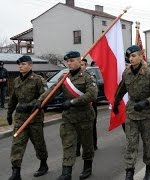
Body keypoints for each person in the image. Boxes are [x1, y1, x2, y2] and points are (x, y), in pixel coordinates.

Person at [36, 51, 98, 180]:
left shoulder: (88, 76)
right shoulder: (64, 78)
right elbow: (52, 90)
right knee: (68, 143)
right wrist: (40, 100)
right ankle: (66, 172)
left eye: (72, 61)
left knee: (87, 144)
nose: (69, 63)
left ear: (79, 62)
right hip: (68, 117)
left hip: (85, 116)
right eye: (67, 61)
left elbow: (92, 95)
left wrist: (72, 102)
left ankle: (87, 167)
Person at [113, 45, 150, 180]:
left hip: (147, 114)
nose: (131, 59)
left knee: (148, 144)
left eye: (133, 56)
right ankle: (129, 172)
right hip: (132, 112)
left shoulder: (149, 73)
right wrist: (116, 102)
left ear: (141, 56)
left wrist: (147, 102)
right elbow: (122, 88)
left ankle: (148, 171)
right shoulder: (127, 73)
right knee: (131, 144)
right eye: (129, 57)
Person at [7, 55, 49, 180]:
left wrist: (29, 105)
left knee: (38, 143)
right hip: (20, 118)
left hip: (34, 117)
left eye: (23, 64)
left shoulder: (38, 80)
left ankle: (43, 164)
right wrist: (9, 113)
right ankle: (16, 172)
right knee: (17, 144)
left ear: (30, 65)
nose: (20, 66)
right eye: (19, 64)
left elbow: (45, 98)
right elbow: (13, 99)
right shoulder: (16, 81)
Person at [76, 59, 99, 157]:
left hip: (89, 104)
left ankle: (93, 144)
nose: (81, 66)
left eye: (82, 65)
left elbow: (92, 91)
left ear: (86, 66)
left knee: (91, 126)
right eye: (79, 64)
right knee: (77, 128)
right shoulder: (73, 77)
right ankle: (76, 148)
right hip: (77, 105)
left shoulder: (90, 76)